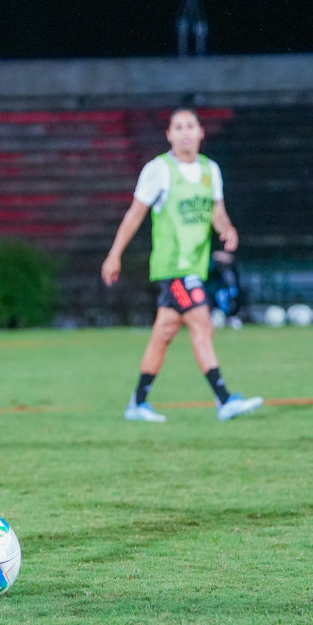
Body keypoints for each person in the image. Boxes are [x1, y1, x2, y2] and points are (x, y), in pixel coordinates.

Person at [101, 107, 263, 422]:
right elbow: (135, 214)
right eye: (178, 127)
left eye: (191, 126)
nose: (185, 132)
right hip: (174, 269)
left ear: (201, 132)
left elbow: (217, 212)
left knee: (163, 334)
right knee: (201, 323)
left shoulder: (209, 170)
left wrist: (226, 229)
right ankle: (224, 399)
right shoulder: (158, 170)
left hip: (195, 267)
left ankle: (137, 402)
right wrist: (114, 253)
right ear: (169, 135)